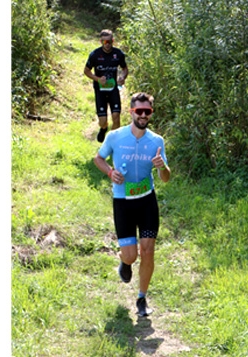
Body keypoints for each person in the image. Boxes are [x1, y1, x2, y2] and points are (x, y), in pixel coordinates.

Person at [93, 92, 170, 317]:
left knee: (147, 251)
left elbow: (166, 177)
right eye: (139, 111)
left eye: (148, 111)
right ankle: (124, 262)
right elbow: (98, 158)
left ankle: (141, 298)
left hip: (147, 201)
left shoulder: (156, 141)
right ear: (131, 112)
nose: (143, 115)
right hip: (123, 203)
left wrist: (162, 166)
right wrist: (109, 172)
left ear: (151, 113)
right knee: (131, 255)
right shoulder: (116, 137)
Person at [84, 29, 129, 143]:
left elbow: (124, 69)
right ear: (101, 42)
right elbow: (86, 71)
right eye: (105, 42)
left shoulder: (118, 54)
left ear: (113, 41)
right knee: (102, 121)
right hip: (100, 90)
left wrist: (122, 77)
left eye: (109, 41)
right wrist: (98, 79)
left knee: (116, 118)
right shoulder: (95, 55)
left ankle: (113, 144)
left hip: (113, 89)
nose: (107, 44)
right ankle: (103, 128)